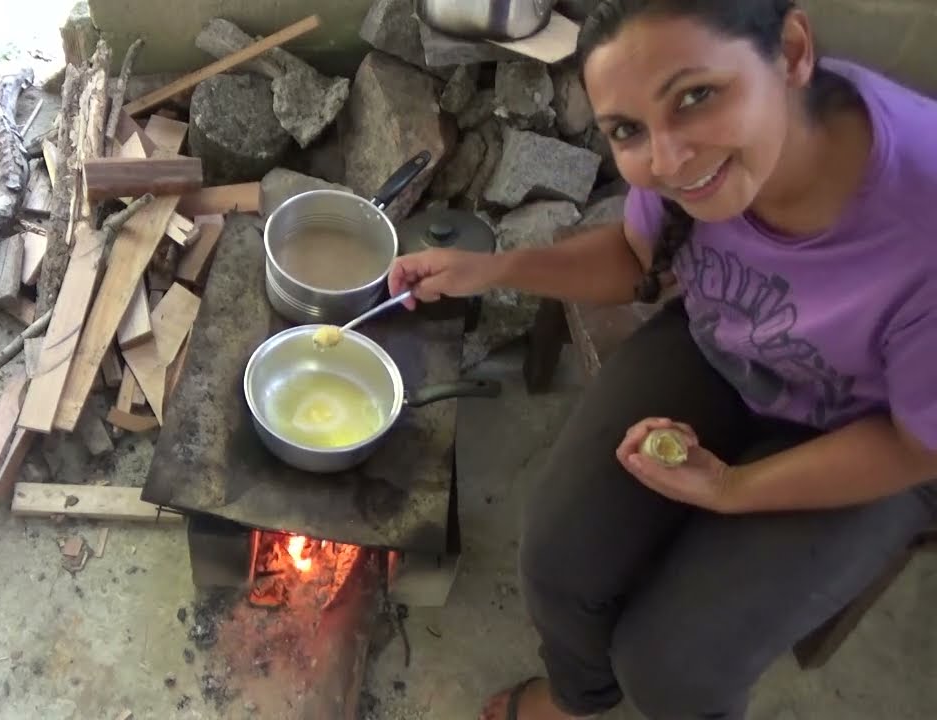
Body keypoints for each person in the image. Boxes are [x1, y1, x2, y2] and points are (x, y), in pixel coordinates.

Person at [387, 1, 937, 718]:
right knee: (557, 560)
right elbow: (634, 257)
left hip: (878, 433)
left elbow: (916, 449)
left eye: (697, 96)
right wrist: (489, 271)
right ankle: (577, 698)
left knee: (673, 665)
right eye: (628, 130)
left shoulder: (920, 217)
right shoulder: (682, 170)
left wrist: (735, 489)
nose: (668, 160)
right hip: (724, 349)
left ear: (793, 51)